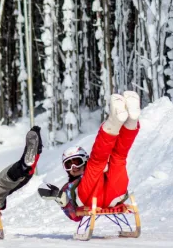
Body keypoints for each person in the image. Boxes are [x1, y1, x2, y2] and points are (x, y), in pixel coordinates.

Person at [38, 91, 141, 221]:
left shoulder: (91, 171)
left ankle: (129, 120)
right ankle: (121, 122)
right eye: (69, 164)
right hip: (89, 198)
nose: (74, 167)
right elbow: (73, 216)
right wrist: (59, 197)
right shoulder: (68, 187)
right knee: (105, 162)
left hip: (113, 194)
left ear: (84, 161)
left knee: (115, 159)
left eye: (77, 161)